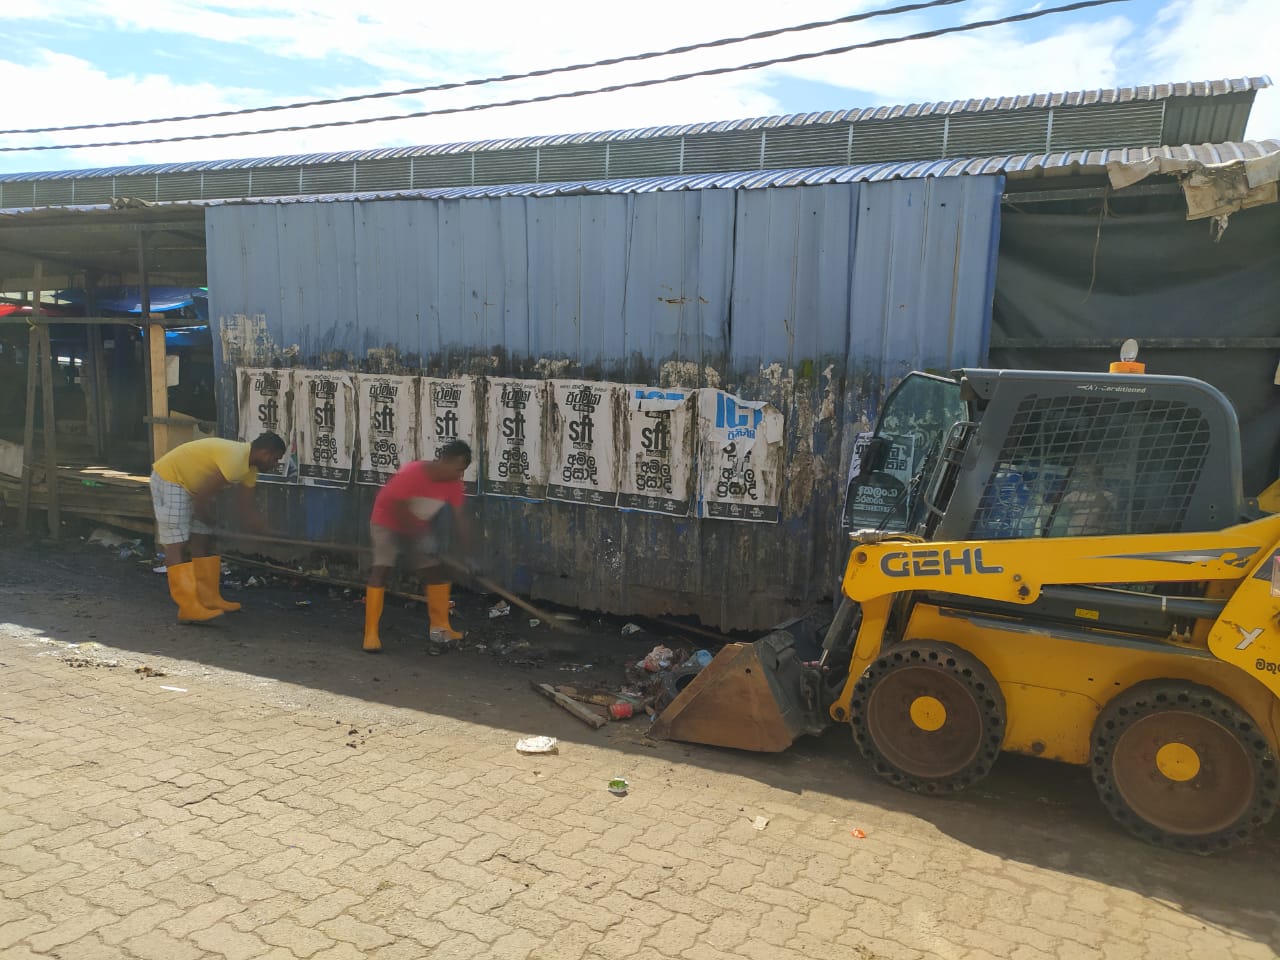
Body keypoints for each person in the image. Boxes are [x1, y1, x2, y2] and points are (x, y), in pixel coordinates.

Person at [150, 433, 286, 623]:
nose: (275, 464)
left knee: (204, 539)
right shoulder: (236, 461)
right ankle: (188, 608)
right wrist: (208, 519)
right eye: (275, 458)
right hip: (170, 478)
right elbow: (201, 500)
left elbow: (247, 509)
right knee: (176, 543)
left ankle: (209, 599)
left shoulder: (249, 469)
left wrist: (269, 534)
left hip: (193, 486)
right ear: (264, 452)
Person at [363, 440, 475, 653]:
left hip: (417, 529)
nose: (460, 476)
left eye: (463, 472)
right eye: (458, 469)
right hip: (386, 521)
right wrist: (421, 538)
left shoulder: (453, 485)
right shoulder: (415, 472)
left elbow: (462, 520)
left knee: (435, 572)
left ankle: (440, 629)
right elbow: (397, 507)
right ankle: (370, 633)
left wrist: (470, 555)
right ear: (444, 460)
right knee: (382, 569)